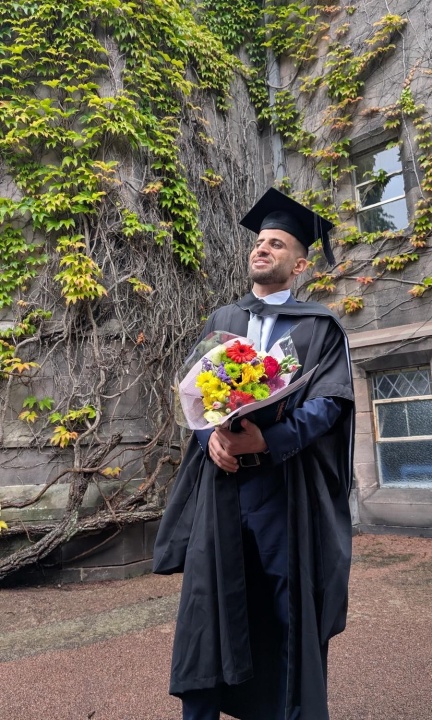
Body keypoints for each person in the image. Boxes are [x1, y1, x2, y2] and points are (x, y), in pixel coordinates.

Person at [153, 187, 355, 720]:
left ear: (300, 265)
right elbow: (195, 393)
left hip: (284, 488)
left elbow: (330, 403)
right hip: (222, 489)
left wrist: (269, 440)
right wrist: (212, 439)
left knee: (289, 606)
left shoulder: (320, 327)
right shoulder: (223, 317)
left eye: (277, 244)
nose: (262, 248)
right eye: (260, 242)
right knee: (210, 603)